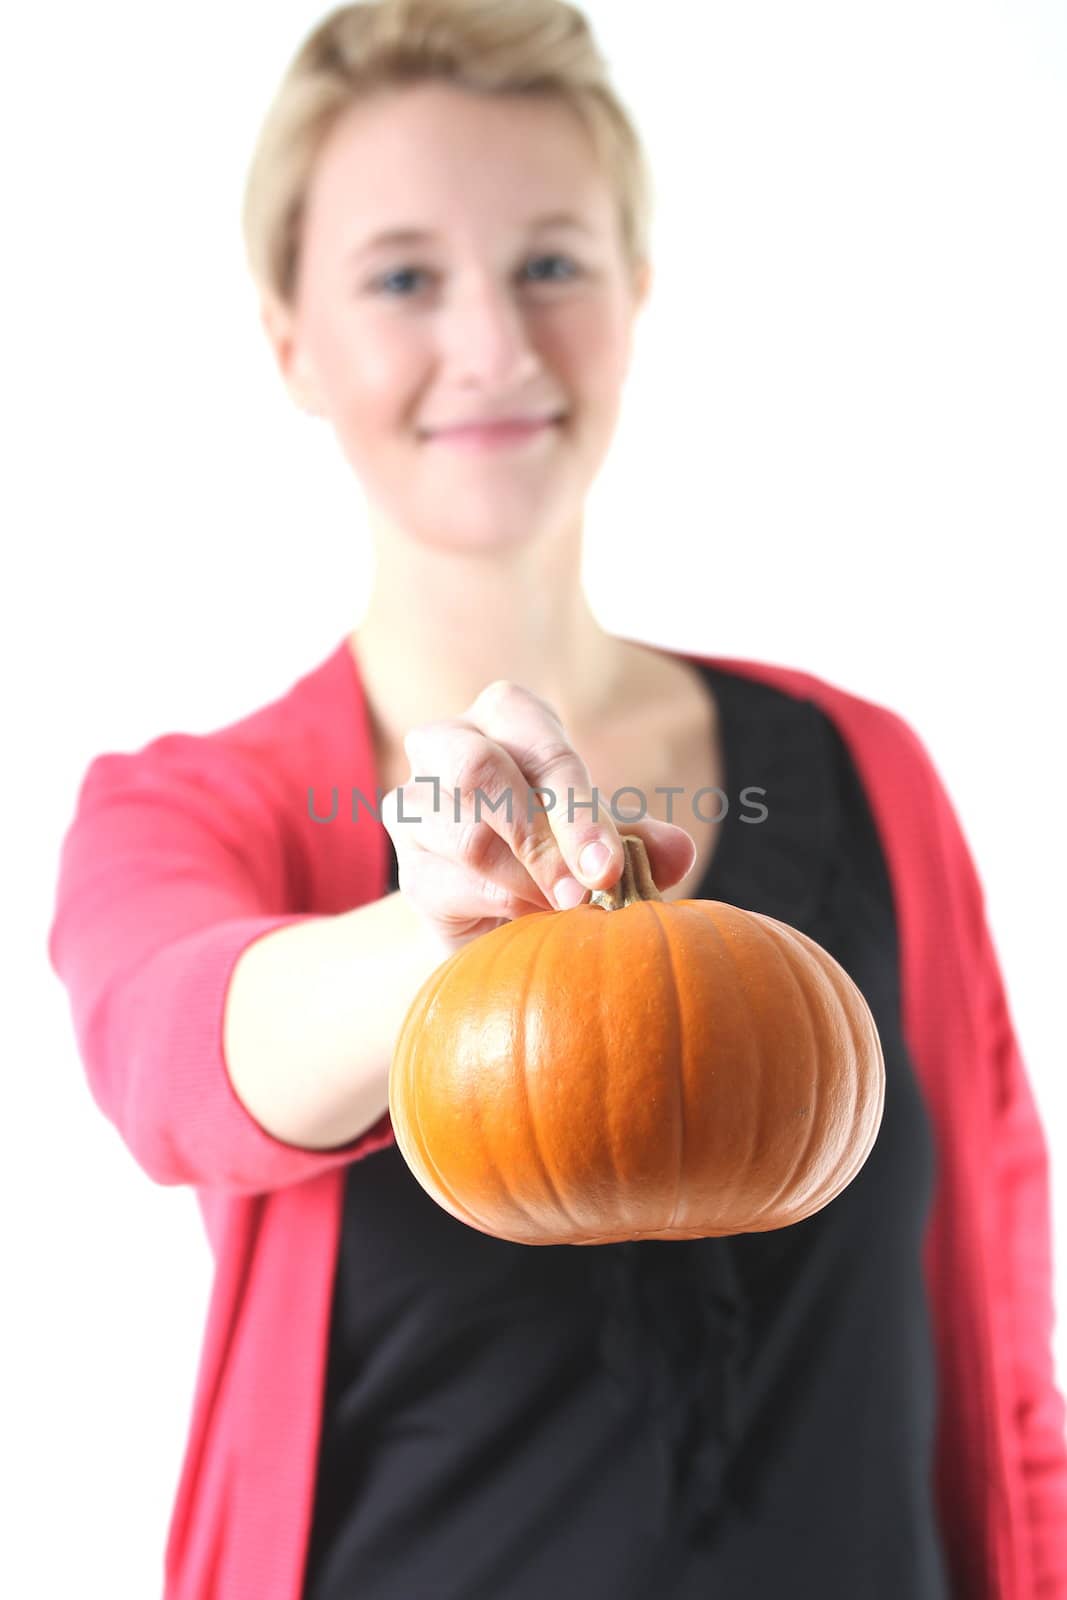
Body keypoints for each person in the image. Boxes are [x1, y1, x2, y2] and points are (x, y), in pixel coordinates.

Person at [46, 2, 1067, 1597]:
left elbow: (1006, 1353)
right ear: (289, 339)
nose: (498, 347)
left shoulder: (870, 768)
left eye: (553, 264)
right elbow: (165, 1056)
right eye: (402, 277)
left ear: (636, 294)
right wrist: (430, 936)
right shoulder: (195, 805)